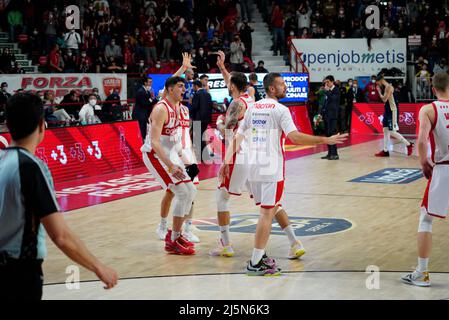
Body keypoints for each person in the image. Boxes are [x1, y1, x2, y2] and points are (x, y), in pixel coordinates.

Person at [219, 73, 347, 275]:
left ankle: (286, 246)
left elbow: (237, 136)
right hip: (271, 168)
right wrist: (325, 140)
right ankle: (255, 261)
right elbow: (294, 137)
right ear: (271, 88)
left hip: (253, 167)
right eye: (281, 84)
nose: (285, 87)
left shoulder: (252, 108)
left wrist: (226, 162)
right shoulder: (281, 110)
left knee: (269, 209)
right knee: (267, 213)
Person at [0, 93, 118, 300]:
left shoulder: (2, 161)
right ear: (42, 125)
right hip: (19, 273)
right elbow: (60, 235)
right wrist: (98, 267)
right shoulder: (31, 167)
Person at [210, 52, 307, 260]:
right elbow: (233, 82)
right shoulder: (251, 98)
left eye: (229, 85)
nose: (227, 86)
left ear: (232, 87)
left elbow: (227, 129)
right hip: (255, 158)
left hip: (239, 155)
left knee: (221, 198)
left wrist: (218, 122)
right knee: (271, 203)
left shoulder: (236, 105)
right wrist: (222, 68)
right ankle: (294, 242)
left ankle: (225, 244)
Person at [401, 73, 449, 287]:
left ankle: (422, 272)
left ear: (432, 89)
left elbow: (421, 140)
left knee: (426, 218)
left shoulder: (429, 109)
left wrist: (423, 161)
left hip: (445, 168)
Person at [141, 76, 197, 255]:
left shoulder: (180, 108)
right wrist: (171, 165)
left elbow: (176, 139)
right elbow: (156, 143)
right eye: (180, 86)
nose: (184, 89)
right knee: (179, 192)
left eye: (184, 86)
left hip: (174, 154)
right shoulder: (161, 108)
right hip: (155, 155)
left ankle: (178, 234)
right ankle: (171, 238)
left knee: (191, 191)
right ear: (170, 89)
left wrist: (183, 159)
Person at [374, 75, 414, 157]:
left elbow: (384, 99)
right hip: (387, 110)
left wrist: (379, 92)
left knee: (392, 131)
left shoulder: (389, 87)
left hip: (392, 111)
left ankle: (408, 144)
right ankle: (385, 151)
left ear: (380, 81)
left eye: (377, 83)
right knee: (385, 129)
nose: (377, 85)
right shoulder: (386, 88)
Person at [191, 75, 213, 161]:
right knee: (202, 137)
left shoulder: (197, 94)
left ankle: (199, 157)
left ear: (196, 86)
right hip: (206, 119)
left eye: (193, 86)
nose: (193, 88)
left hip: (198, 119)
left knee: (197, 138)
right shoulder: (207, 94)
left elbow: (194, 107)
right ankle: (205, 156)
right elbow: (210, 106)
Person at [321, 75, 340, 160]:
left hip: (333, 116)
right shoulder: (327, 91)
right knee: (328, 135)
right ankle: (330, 153)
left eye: (328, 82)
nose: (326, 83)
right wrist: (321, 113)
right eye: (325, 82)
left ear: (332, 82)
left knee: (332, 135)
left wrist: (327, 92)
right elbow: (325, 103)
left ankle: (335, 154)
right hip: (326, 115)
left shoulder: (336, 90)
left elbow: (334, 99)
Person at [132, 77, 157, 142]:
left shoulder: (147, 92)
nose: (151, 83)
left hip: (144, 114)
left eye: (151, 82)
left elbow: (150, 102)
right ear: (145, 82)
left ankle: (143, 142)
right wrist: (154, 99)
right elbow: (145, 104)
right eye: (149, 82)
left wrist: (156, 99)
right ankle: (140, 143)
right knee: (141, 130)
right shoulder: (141, 92)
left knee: (144, 129)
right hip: (140, 115)